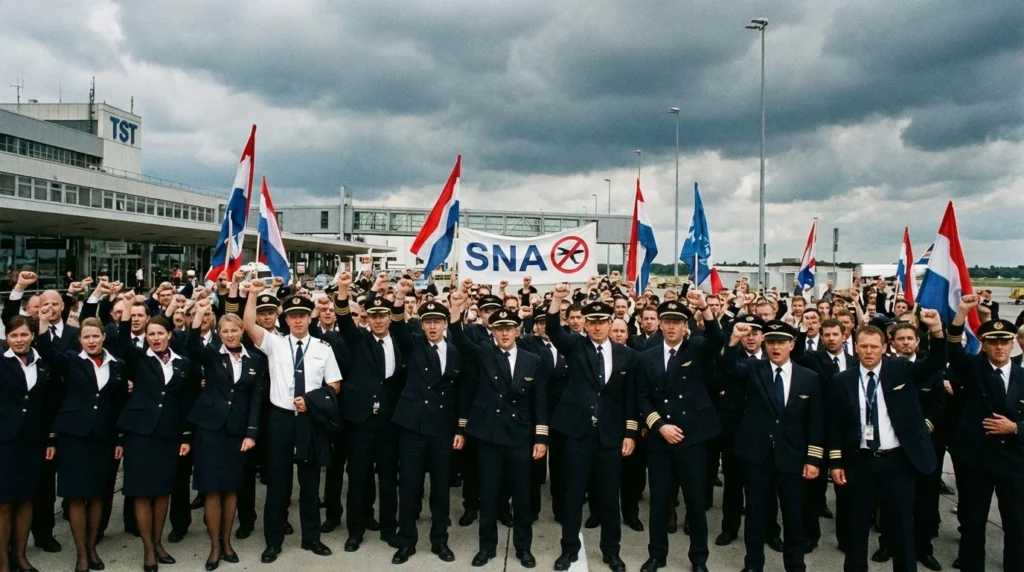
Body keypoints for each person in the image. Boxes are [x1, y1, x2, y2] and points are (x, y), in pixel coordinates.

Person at [827, 312, 945, 572]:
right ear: (855, 348)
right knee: (856, 527)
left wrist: (936, 329)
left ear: (884, 347)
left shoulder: (901, 370)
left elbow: (936, 361)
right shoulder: (841, 381)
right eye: (863, 346)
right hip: (860, 462)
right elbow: (834, 425)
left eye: (873, 346)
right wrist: (835, 462)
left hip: (897, 461)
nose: (868, 352)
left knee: (901, 526)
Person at [242, 282, 341, 564]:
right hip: (281, 419)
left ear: (310, 317)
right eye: (292, 316)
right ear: (285, 319)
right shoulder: (275, 344)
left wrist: (312, 400)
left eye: (302, 315)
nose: (297, 320)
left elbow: (334, 384)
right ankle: (273, 540)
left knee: (310, 483)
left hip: (309, 419)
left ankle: (311, 538)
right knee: (278, 483)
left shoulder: (323, 347)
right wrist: (252, 292)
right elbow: (249, 324)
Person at [449, 293, 548, 568]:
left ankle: (523, 548)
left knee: (522, 497)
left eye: (509, 328)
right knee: (489, 495)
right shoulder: (484, 353)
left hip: (520, 437)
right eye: (499, 328)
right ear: (492, 331)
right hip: (489, 436)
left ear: (518, 330)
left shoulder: (532, 360)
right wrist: (455, 310)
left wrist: (541, 437)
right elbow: (460, 341)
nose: (504, 333)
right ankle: (487, 547)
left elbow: (540, 401)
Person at [546, 287, 639, 572]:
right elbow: (553, 330)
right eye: (592, 322)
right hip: (577, 434)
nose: (597, 326)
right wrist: (558, 300)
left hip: (610, 437)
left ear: (612, 323)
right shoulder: (575, 346)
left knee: (610, 497)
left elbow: (631, 398)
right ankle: (568, 549)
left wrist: (630, 433)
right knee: (573, 494)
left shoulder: (627, 355)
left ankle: (611, 551)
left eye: (602, 321)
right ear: (585, 324)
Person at [720, 319, 824, 572]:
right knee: (755, 515)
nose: (775, 348)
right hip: (757, 456)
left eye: (781, 342)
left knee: (793, 516)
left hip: (793, 458)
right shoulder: (754, 369)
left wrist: (813, 459)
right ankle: (753, 564)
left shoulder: (808, 377)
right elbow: (727, 370)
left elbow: (816, 421)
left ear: (792, 344)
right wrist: (733, 341)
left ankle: (795, 564)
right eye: (771, 342)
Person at [637, 297, 724, 572]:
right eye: (667, 322)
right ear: (659, 324)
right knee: (659, 501)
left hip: (692, 438)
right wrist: (659, 425)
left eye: (677, 322)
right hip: (661, 437)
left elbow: (717, 339)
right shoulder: (647, 356)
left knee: (696, 502)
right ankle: (657, 555)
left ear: (685, 326)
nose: (671, 327)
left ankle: (699, 558)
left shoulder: (696, 348)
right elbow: (641, 397)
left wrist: (706, 309)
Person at [36, 313, 127, 572]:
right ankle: (81, 553)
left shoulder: (117, 364)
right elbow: (47, 351)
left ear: (103, 337)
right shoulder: (71, 362)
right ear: (80, 340)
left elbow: (119, 403)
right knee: (76, 496)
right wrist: (42, 322)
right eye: (86, 337)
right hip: (74, 438)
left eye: (95, 336)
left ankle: (91, 546)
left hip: (103, 437)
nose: (91, 341)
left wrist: (119, 437)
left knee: (97, 494)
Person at [116, 292, 198, 572]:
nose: (155, 338)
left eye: (160, 333)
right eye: (151, 334)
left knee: (163, 491)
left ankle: (158, 542)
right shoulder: (138, 359)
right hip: (140, 433)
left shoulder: (182, 363)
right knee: (141, 491)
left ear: (169, 334)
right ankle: (148, 549)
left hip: (169, 434)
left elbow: (186, 402)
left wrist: (186, 436)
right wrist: (128, 307)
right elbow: (122, 341)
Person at [946, 295, 1024, 572]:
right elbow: (953, 347)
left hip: (1013, 462)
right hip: (975, 461)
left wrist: (1015, 427)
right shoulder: (972, 369)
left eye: (1005, 341)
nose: (1000, 346)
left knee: (1016, 524)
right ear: (984, 344)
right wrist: (962, 313)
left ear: (1013, 343)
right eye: (993, 341)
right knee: (973, 522)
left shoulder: (1023, 377)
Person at [186, 301, 265, 570]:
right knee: (210, 489)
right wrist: (198, 312)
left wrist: (251, 433)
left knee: (231, 488)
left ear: (242, 330)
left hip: (237, 433)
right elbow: (191, 345)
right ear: (219, 333)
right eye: (225, 331)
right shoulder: (211, 354)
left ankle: (227, 542)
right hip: (209, 430)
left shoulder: (255, 359)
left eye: (234, 330)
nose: (230, 334)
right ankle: (214, 546)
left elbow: (256, 399)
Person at [389, 288, 464, 565]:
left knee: (441, 488)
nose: (433, 326)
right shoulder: (413, 344)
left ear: (445, 324)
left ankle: (439, 540)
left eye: (437, 321)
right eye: (428, 322)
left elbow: (460, 393)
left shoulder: (455, 351)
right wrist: (398, 297)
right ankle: (406, 540)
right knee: (409, 487)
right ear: (421, 325)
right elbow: (396, 325)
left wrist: (460, 428)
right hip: (413, 427)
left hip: (442, 428)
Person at [331, 273, 403, 552]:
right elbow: (342, 319)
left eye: (383, 315)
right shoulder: (358, 339)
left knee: (388, 478)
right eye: (373, 316)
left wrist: (399, 296)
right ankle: (355, 531)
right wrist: (344, 288)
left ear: (389, 317)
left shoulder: (400, 341)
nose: (379, 320)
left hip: (388, 421)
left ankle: (388, 529)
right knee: (358, 477)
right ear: (367, 318)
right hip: (360, 421)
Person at [0, 315, 56, 572]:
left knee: (26, 500)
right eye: (13, 336)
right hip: (5, 441)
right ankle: (2, 562)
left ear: (32, 335)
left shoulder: (44, 364)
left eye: (23, 335)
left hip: (33, 441)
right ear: (7, 338)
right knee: (4, 503)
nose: (19, 340)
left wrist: (49, 439)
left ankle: (21, 556)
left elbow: (48, 406)